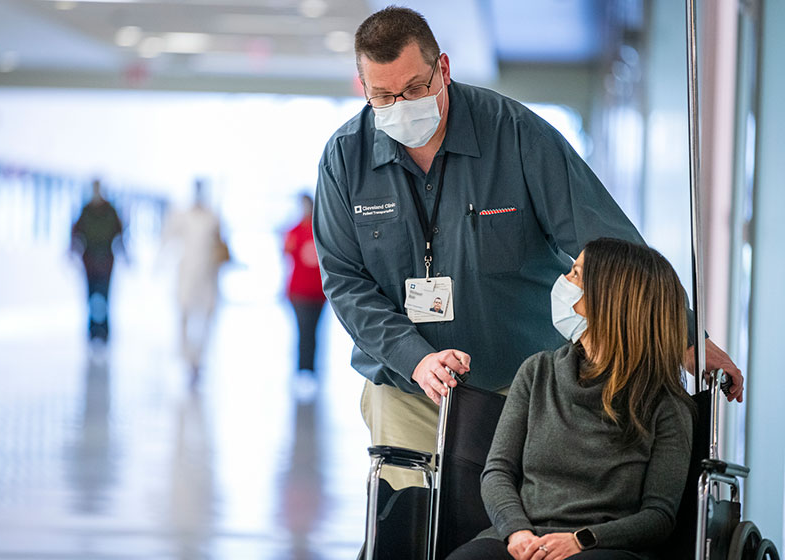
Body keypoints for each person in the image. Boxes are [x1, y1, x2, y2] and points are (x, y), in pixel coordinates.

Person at [312, 6, 742, 489]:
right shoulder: (345, 158)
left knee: (515, 517)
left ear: (443, 69)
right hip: (408, 387)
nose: (400, 105)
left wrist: (683, 335)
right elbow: (345, 283)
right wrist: (414, 358)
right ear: (364, 88)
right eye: (383, 97)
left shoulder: (515, 133)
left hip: (523, 389)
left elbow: (609, 248)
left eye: (414, 89)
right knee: (410, 517)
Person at [447, 238, 695, 560]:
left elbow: (658, 517)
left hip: (602, 547)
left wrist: (582, 540)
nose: (563, 281)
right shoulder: (537, 372)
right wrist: (517, 532)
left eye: (576, 274)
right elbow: (498, 472)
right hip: (521, 538)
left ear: (611, 299)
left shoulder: (666, 405)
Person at [162, 179, 229, 386]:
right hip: (187, 275)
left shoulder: (213, 217)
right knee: (184, 315)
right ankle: (187, 359)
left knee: (206, 319)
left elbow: (222, 245)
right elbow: (167, 238)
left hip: (208, 275)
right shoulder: (183, 216)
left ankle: (198, 360)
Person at [284, 194, 326, 397]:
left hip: (318, 293)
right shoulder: (294, 231)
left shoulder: (320, 230)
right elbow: (286, 251)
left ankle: (312, 371)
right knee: (303, 332)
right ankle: (302, 371)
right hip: (299, 293)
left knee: (314, 333)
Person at [71, 179, 124, 342]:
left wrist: (125, 253)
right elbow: (76, 232)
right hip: (90, 262)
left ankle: (104, 331)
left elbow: (120, 233)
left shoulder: (110, 211)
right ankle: (92, 330)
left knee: (105, 296)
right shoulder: (86, 210)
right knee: (91, 295)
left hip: (106, 262)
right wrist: (72, 250)